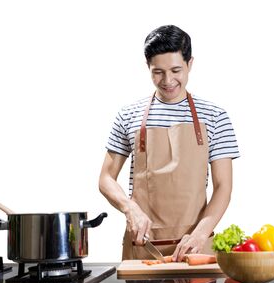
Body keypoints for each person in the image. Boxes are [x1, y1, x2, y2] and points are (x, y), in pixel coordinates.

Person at [99, 25, 240, 262]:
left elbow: (223, 187)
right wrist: (129, 208)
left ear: (189, 64)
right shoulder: (128, 115)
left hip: (195, 246)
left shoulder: (215, 117)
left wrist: (200, 234)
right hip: (142, 246)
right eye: (158, 72)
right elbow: (105, 178)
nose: (167, 80)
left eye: (176, 70)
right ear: (148, 67)